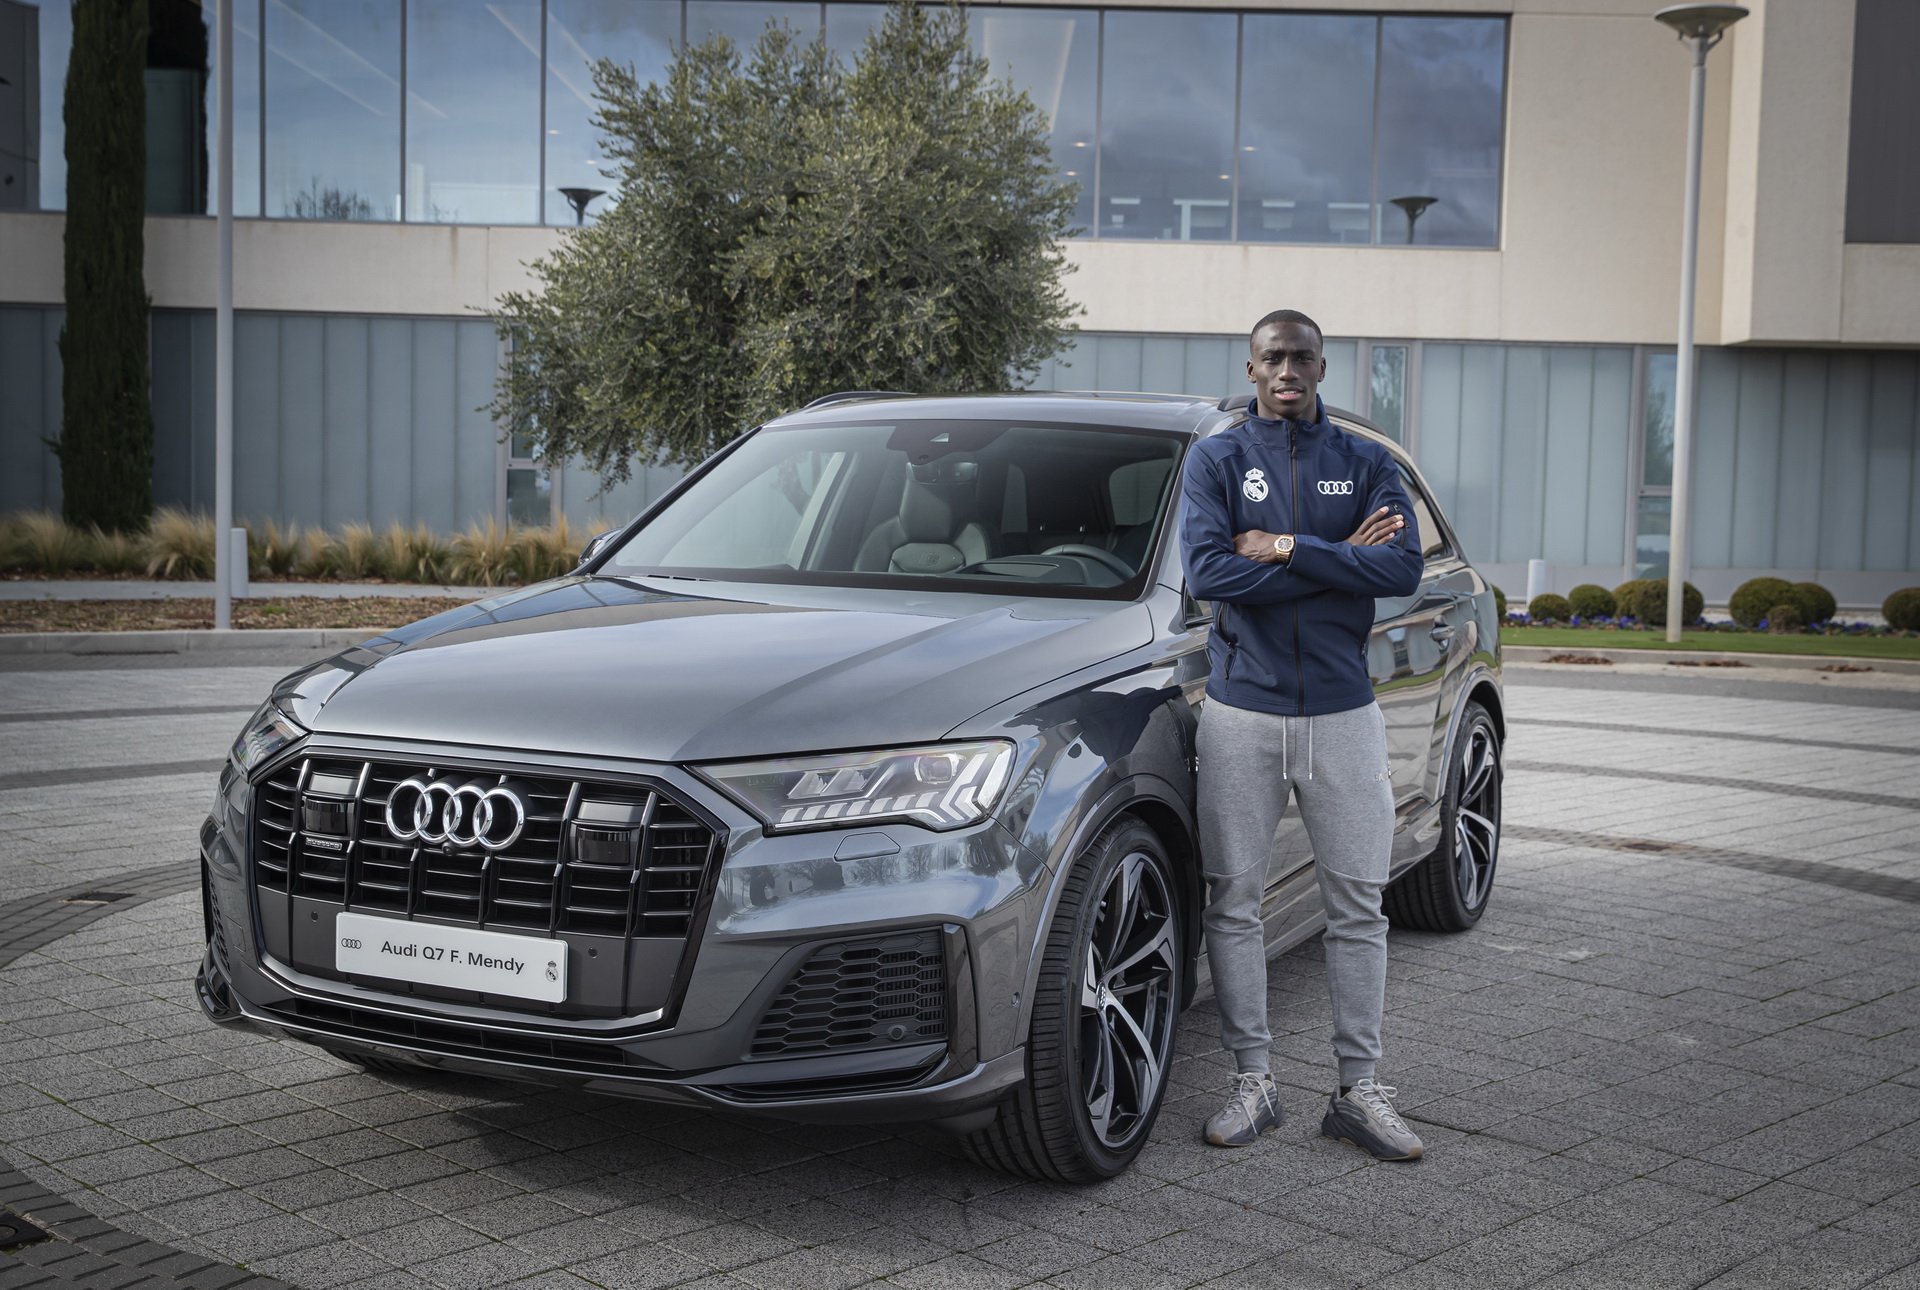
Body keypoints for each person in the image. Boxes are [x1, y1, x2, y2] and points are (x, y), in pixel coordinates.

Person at [1178, 308, 1427, 1161]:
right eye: (1273, 357)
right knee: (1234, 902)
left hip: (1343, 715)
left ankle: (1359, 1090)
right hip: (1243, 714)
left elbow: (1399, 569)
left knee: (1358, 904)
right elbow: (1210, 572)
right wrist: (1332, 558)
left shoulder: (1365, 461)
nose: (1288, 369)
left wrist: (1283, 546)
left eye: (1303, 358)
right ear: (1251, 369)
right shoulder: (1216, 458)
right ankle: (1255, 1082)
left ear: (1322, 369)